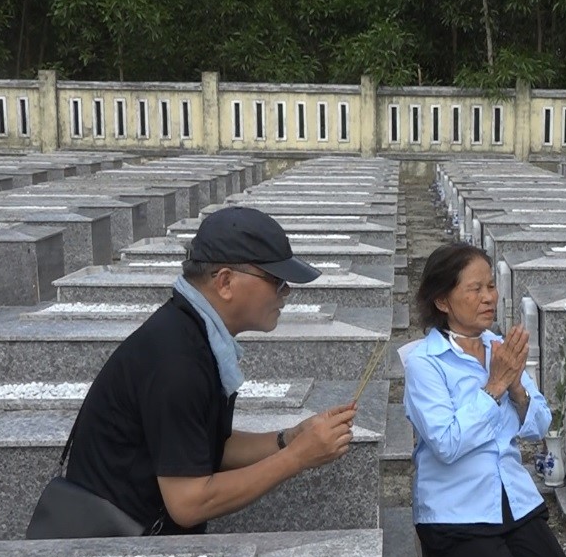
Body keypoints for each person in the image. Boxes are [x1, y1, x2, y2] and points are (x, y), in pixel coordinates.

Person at [64, 206, 358, 535]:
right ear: (225, 282)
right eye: (276, 280)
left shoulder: (192, 332)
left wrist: (289, 438)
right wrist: (297, 457)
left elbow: (207, 447)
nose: (286, 292)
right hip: (116, 548)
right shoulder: (176, 360)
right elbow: (188, 503)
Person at [403, 242, 566, 557]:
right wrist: (495, 386)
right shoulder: (424, 363)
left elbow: (538, 425)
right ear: (442, 301)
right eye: (475, 289)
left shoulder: (497, 348)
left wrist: (516, 388)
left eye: (490, 287)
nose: (489, 298)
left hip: (508, 494)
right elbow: (446, 444)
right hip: (456, 505)